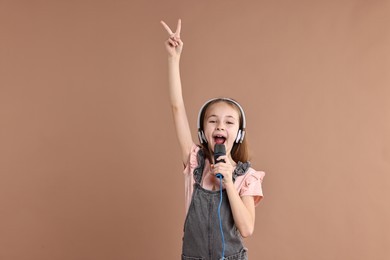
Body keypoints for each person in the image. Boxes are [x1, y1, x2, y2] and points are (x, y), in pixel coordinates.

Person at [161, 19, 265, 260]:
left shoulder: (247, 178)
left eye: (229, 122)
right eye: (213, 121)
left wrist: (229, 181)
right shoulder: (195, 161)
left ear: (238, 134)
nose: (220, 125)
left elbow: (247, 228)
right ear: (202, 131)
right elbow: (177, 107)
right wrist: (173, 59)